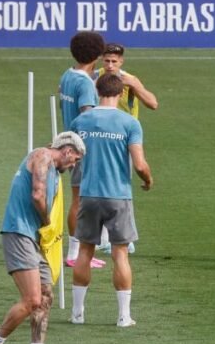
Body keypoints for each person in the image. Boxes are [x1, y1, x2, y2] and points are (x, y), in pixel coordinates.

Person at [0, 132, 85, 344]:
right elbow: (37, 195)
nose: (74, 165)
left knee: (45, 295)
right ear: (68, 151)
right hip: (19, 233)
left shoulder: (54, 171)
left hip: (33, 238)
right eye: (75, 159)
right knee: (32, 300)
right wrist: (47, 221)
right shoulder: (42, 156)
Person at [68, 74, 154, 328]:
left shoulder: (80, 121)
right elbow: (139, 164)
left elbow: (70, 156)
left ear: (97, 91)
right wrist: (148, 180)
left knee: (85, 251)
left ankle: (77, 314)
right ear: (120, 93)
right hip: (118, 195)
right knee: (120, 254)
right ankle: (123, 316)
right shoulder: (130, 123)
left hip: (88, 194)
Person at [94, 42, 159, 255]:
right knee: (98, 184)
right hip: (100, 136)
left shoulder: (130, 80)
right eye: (107, 61)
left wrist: (135, 86)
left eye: (114, 61)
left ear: (121, 61)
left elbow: (153, 104)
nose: (110, 65)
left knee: (121, 185)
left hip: (125, 138)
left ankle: (122, 236)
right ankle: (104, 238)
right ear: (102, 60)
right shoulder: (95, 77)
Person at [59, 30, 107, 270]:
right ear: (97, 55)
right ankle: (75, 253)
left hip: (70, 143)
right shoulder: (85, 84)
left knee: (80, 198)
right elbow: (88, 117)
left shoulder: (67, 75)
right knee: (81, 200)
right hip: (82, 149)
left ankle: (80, 250)